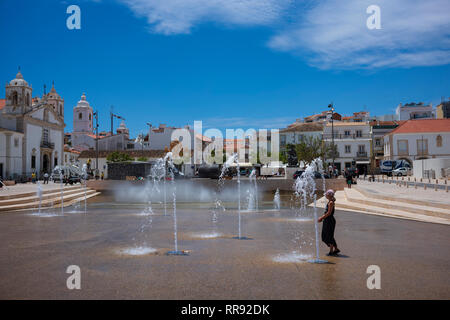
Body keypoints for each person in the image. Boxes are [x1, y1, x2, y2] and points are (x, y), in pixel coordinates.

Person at [318, 189, 340, 256]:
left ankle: (331, 251)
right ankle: (335, 249)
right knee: (326, 235)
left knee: (328, 235)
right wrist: (323, 218)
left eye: (326, 194)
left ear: (329, 195)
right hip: (327, 220)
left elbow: (329, 213)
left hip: (329, 220)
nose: (325, 195)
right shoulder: (330, 201)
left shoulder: (331, 203)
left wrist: (321, 218)